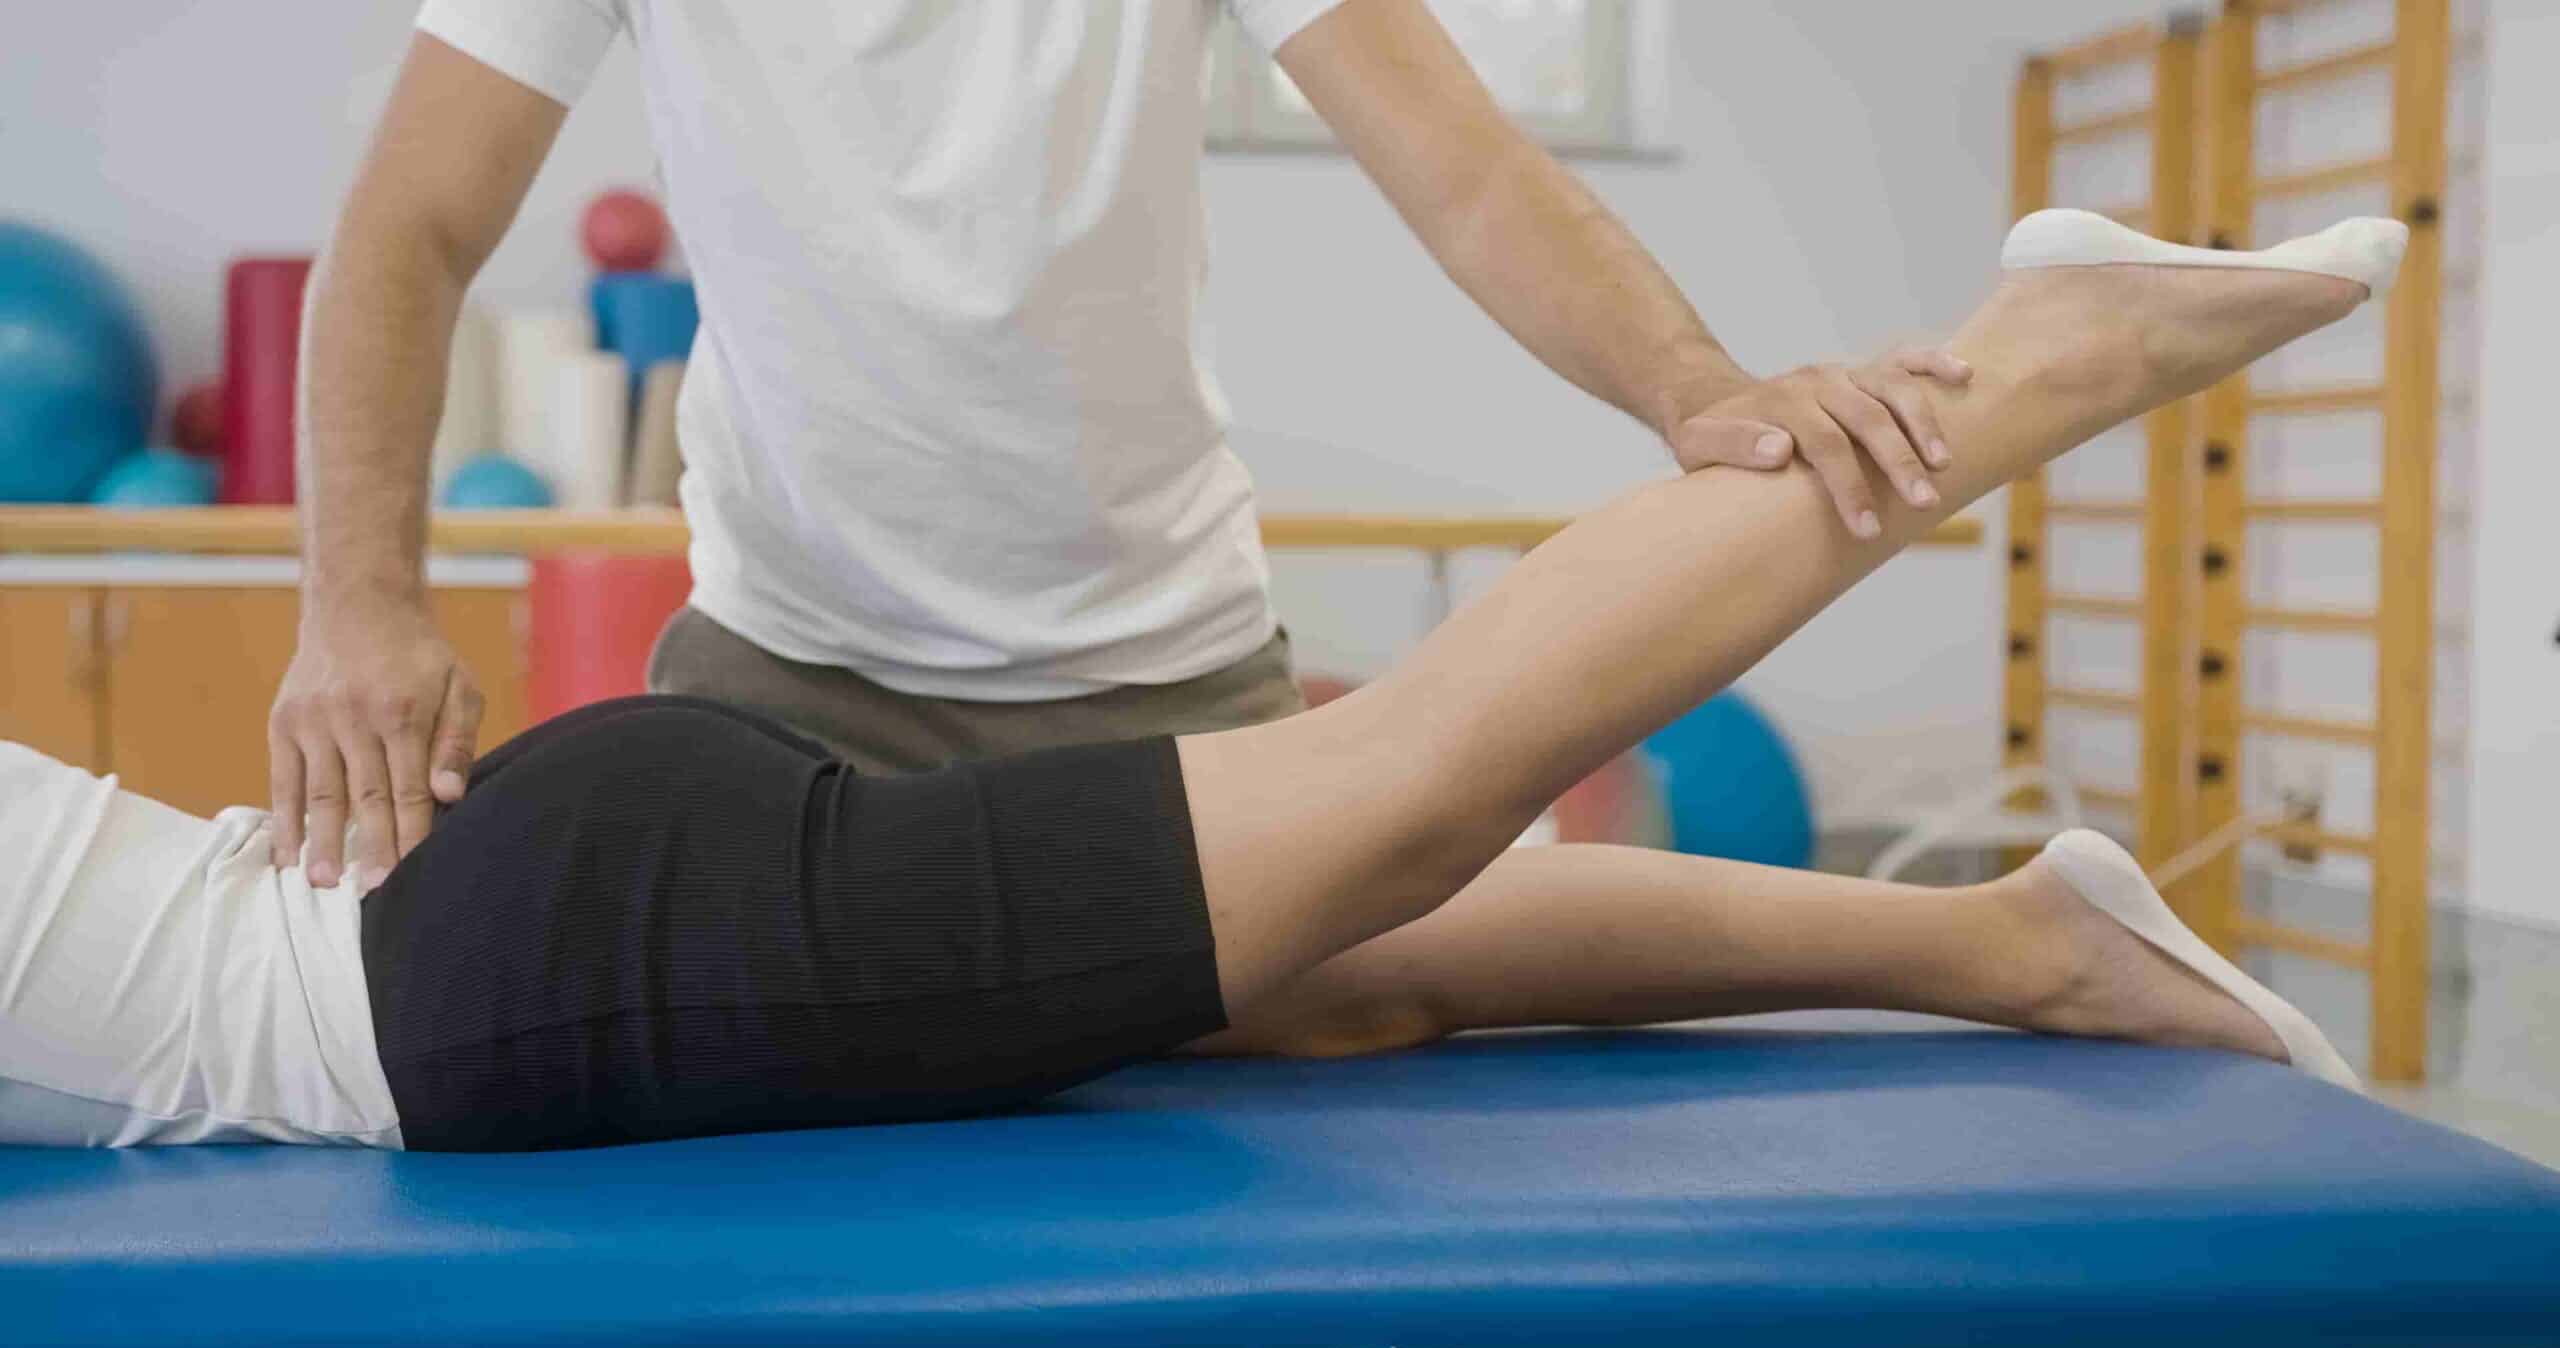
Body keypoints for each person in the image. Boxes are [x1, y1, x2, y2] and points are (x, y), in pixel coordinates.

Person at [3, 212, 2396, 1151]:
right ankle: (2012, 946)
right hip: (525, 919)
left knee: (1406, 785)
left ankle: (2036, 360)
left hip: (531, 977)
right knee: (1338, 952)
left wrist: (1689, 382)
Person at [271, 0, 1982, 894]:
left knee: (1319, 1096)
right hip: (785, 674)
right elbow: (411, 224)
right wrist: (357, 607)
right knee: (792, 1225)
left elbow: (1468, 172)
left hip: (1161, 679)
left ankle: (1982, 942)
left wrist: (1691, 382)